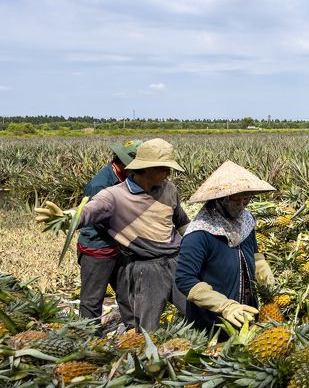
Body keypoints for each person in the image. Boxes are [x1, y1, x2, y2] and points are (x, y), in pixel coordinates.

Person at [35, 139, 190, 332]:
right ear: (145, 168)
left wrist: (195, 247)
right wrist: (67, 217)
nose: (168, 174)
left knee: (195, 311)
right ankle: (91, 337)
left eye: (169, 169)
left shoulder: (170, 189)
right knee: (141, 323)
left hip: (175, 261)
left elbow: (182, 222)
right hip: (129, 260)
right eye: (163, 168)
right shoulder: (113, 195)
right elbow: (88, 211)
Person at [175, 161, 277, 332]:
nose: (244, 204)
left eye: (247, 198)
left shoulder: (246, 221)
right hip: (213, 320)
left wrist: (261, 267)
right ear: (220, 199)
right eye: (238, 199)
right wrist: (225, 306)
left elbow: (254, 252)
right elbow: (185, 279)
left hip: (247, 310)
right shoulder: (200, 234)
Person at [75, 140, 141, 330]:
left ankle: (135, 331)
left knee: (126, 292)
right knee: (92, 298)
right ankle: (89, 337)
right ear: (123, 163)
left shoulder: (127, 179)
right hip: (98, 248)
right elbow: (100, 221)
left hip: (118, 245)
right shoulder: (100, 185)